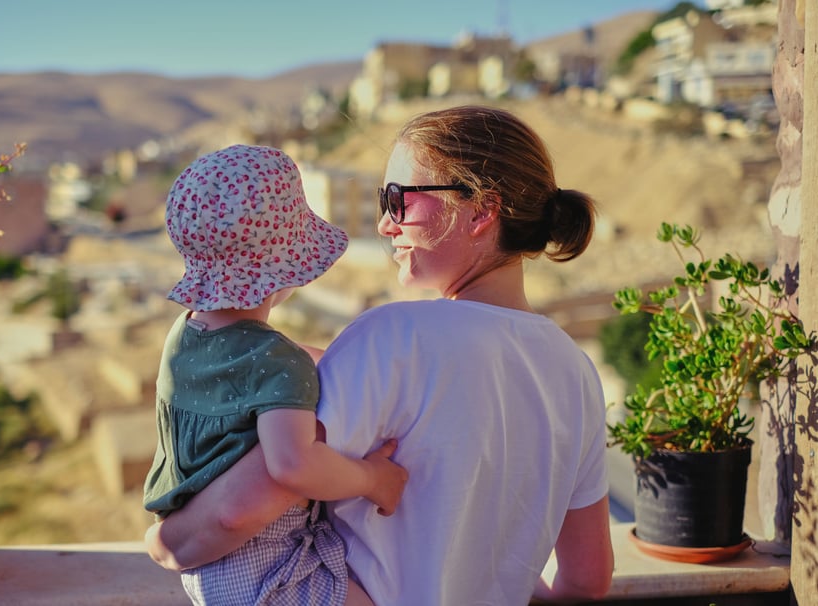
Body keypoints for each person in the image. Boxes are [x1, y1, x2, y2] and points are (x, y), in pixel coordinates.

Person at [145, 106, 615, 605]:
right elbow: (586, 580)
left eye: (398, 200)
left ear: (481, 211)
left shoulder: (392, 341)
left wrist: (159, 543)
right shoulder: (576, 373)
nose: (386, 224)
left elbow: (230, 516)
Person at [143, 143, 408, 606]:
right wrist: (372, 479)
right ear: (287, 268)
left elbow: (245, 373)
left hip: (206, 568)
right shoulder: (280, 363)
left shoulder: (183, 334)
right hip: (266, 568)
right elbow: (293, 465)